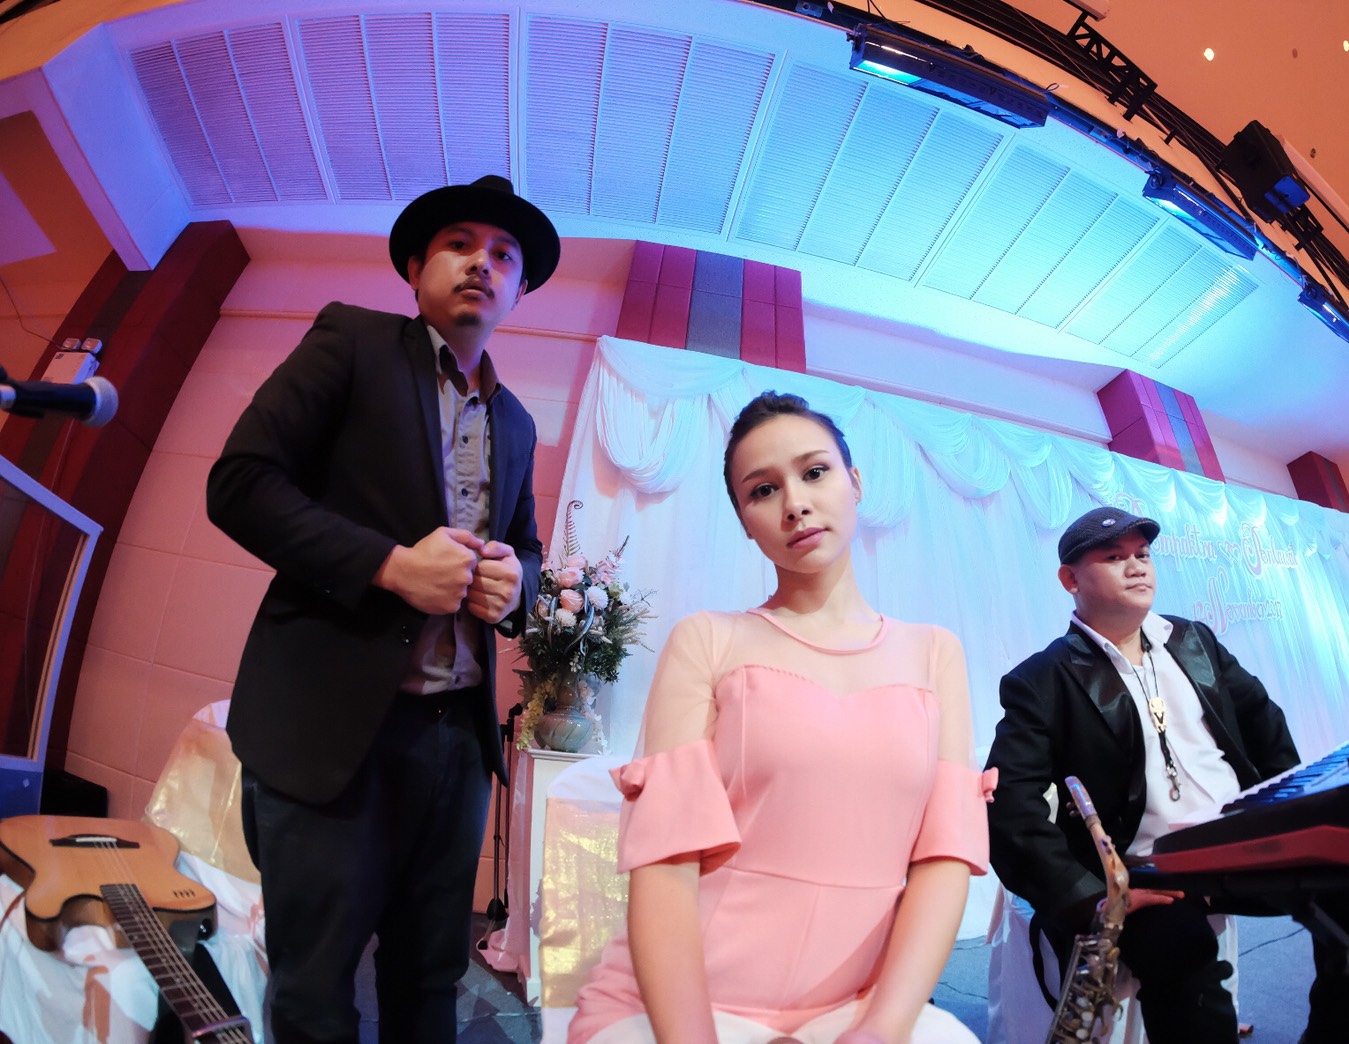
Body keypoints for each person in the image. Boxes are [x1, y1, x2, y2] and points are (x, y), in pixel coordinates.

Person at [206, 175, 556, 1044]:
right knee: (315, 988)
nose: (482, 262)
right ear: (413, 268)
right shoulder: (352, 342)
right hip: (333, 731)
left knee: (431, 977)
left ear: (519, 289)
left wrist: (520, 585)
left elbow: (528, 548)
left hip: (457, 745)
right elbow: (240, 483)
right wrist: (391, 566)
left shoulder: (517, 423)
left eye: (504, 255)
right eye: (459, 244)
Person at [568, 392, 992, 1044]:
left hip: (855, 1007)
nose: (795, 503)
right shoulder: (708, 640)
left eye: (815, 472)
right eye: (763, 490)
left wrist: (882, 1028)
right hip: (684, 1001)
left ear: (855, 482)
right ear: (745, 521)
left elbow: (943, 859)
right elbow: (667, 865)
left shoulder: (935, 654)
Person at [985, 507, 1349, 1044]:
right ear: (1070, 579)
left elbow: (1265, 726)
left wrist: (1293, 818)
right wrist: (1093, 898)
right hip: (1145, 872)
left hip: (1240, 847)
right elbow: (1009, 806)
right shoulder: (1042, 680)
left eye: (1142, 554)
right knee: (1182, 956)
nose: (1136, 566)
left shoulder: (1193, 640)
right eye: (1114, 557)